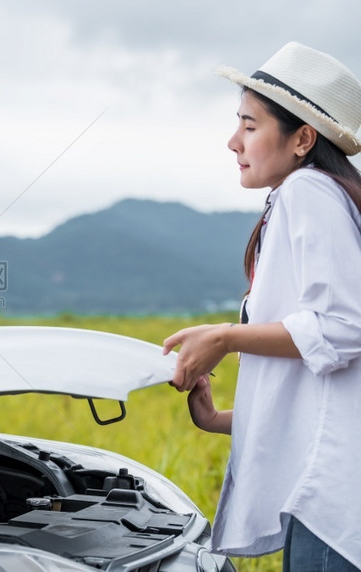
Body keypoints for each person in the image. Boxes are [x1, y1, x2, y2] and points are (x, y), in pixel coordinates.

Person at [162, 42, 361, 571]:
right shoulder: (304, 197)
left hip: (332, 500)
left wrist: (226, 337)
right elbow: (317, 398)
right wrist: (220, 418)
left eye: (250, 126)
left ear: (302, 139)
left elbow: (343, 326)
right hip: (322, 493)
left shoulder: (309, 193)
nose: (233, 142)